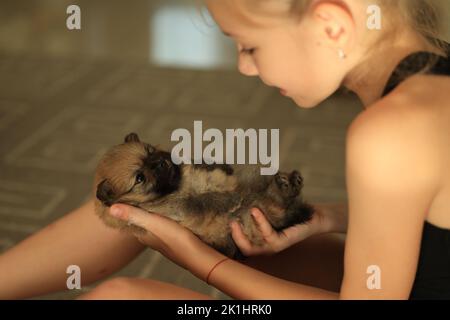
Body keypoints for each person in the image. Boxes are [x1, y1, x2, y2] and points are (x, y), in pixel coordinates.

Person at [1, 0, 449, 300]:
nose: (243, 66)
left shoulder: (388, 133)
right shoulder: (429, 76)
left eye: (249, 45)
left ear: (331, 25)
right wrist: (330, 217)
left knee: (122, 298)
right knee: (141, 208)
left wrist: (203, 262)